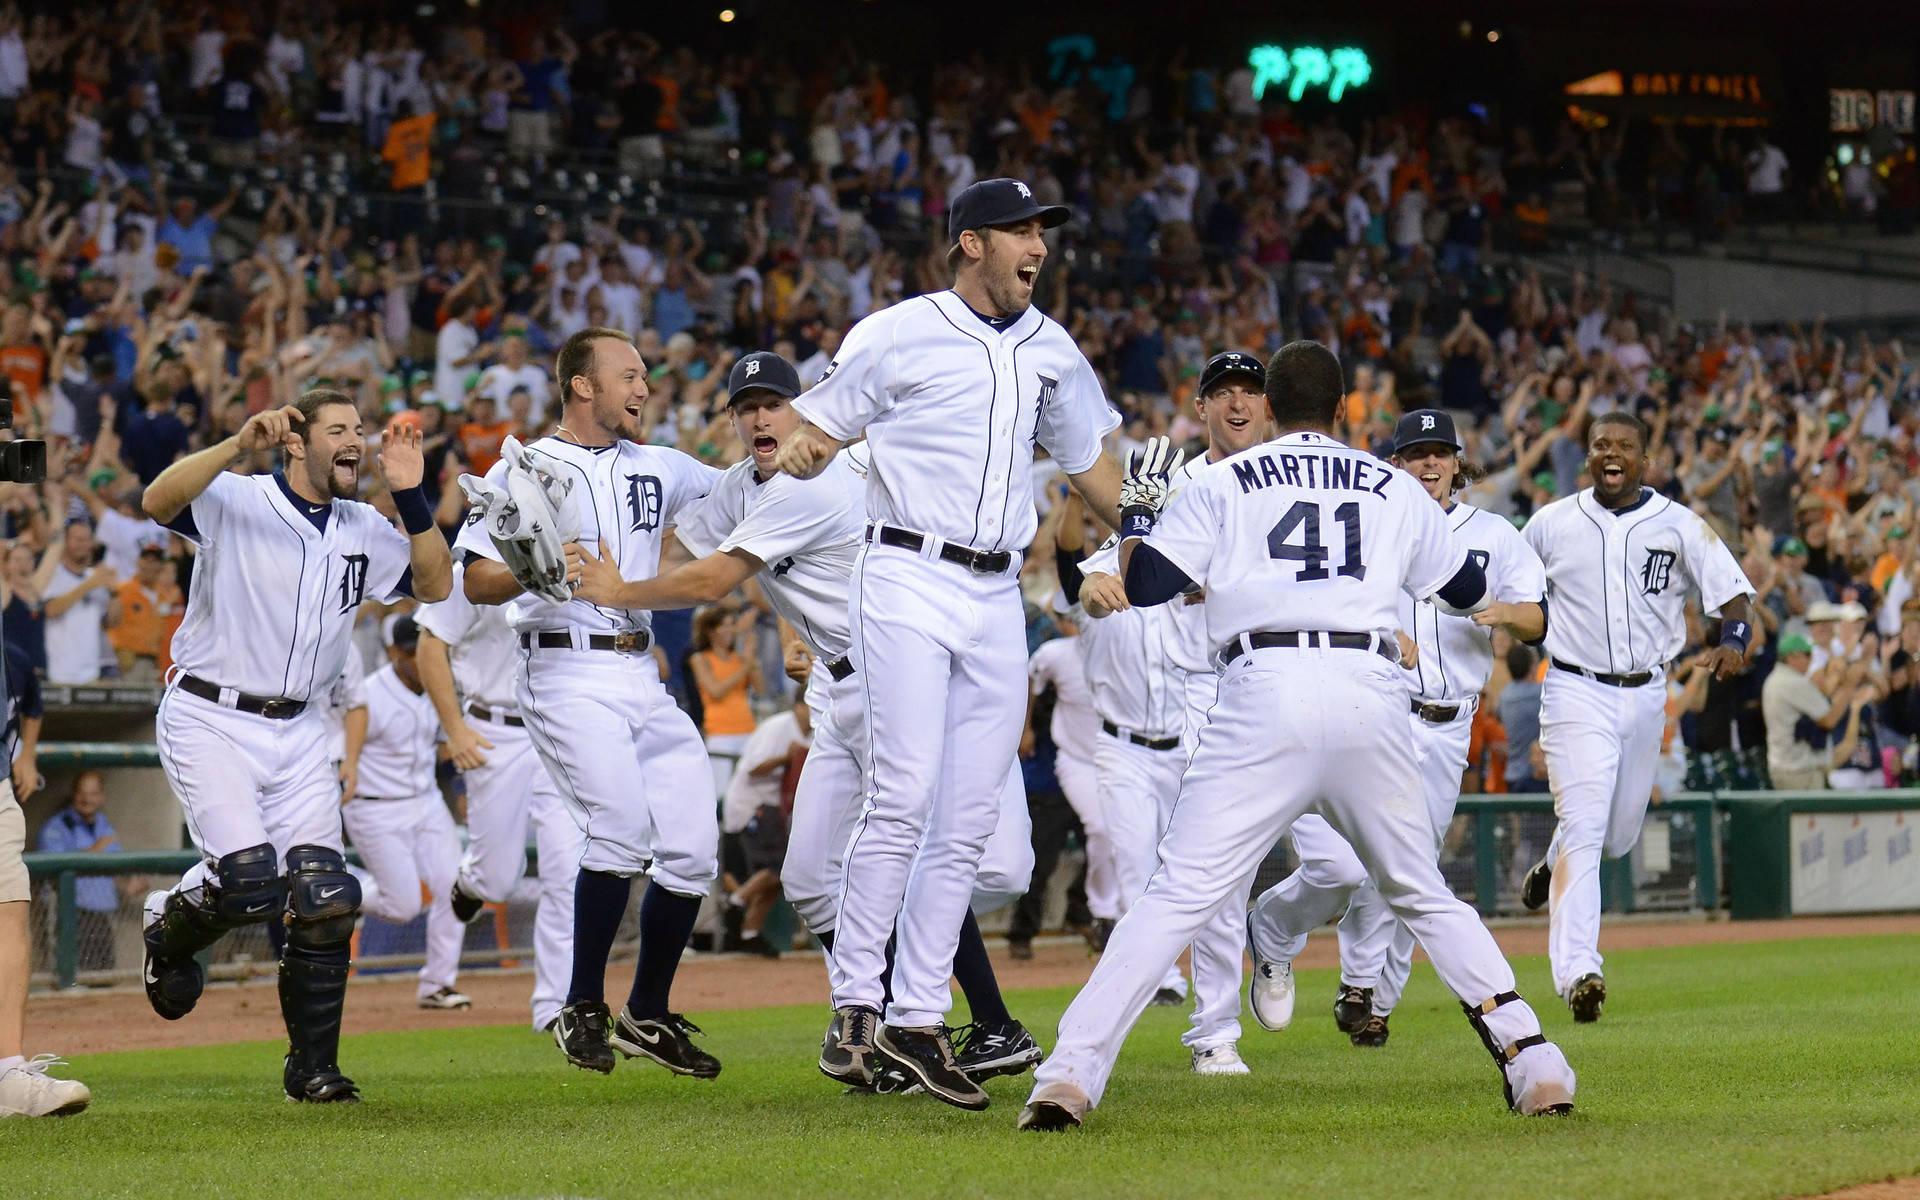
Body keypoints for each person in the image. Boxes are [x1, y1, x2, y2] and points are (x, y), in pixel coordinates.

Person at [1019, 340, 1576, 1132]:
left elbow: (1145, 586)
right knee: (1420, 889)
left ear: (1271, 411)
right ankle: (1534, 1059)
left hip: (1262, 689)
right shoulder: (1393, 484)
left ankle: (1069, 1073)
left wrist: (1141, 516)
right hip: (1369, 692)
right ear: (1345, 410)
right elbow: (1467, 589)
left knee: (1179, 894)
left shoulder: (1220, 479)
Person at [581, 350, 1045, 1089]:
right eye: (746, 406)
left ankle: (968, 1023)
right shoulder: (745, 485)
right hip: (842, 690)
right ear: (733, 420)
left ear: (806, 412)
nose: (762, 415)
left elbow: (710, 578)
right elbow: (689, 529)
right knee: (809, 876)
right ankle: (905, 1029)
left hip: (905, 685)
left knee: (960, 864)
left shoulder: (817, 483)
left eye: (776, 402)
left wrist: (617, 587)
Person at [775, 177, 1125, 1110]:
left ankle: (919, 1020)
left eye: (1043, 232)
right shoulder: (899, 329)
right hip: (904, 573)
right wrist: (806, 447)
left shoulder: (1052, 348)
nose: (1037, 246)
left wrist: (1162, 525)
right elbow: (816, 426)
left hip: (996, 589)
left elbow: (1097, 471)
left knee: (967, 816)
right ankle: (854, 1008)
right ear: (969, 243)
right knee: (903, 793)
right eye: (1019, 231)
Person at [137, 388, 452, 1105]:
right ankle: (168, 930)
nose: (355, 441)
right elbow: (156, 500)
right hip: (212, 715)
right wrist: (232, 445)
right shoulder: (237, 496)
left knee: (326, 896)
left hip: (302, 727)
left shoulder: (365, 526)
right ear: (295, 442)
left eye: (360, 430)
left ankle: (312, 1068)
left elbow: (434, 584)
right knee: (249, 881)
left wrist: (412, 496)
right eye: (338, 429)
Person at [459, 326, 723, 1080]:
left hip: (641, 671)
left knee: (693, 850)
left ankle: (647, 1010)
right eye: (630, 375)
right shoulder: (529, 467)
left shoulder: (663, 466)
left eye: (645, 375)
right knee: (619, 829)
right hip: (565, 669)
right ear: (583, 385)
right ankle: (579, 1004)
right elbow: (474, 582)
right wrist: (533, 570)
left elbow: (742, 490)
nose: (645, 387)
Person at [1244, 408, 1548, 1051]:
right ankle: (1345, 977)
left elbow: (1536, 618)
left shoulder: (1493, 533)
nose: (1429, 464)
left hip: (1448, 724)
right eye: (1416, 454)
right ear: (1395, 464)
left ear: (1458, 464)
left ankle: (1373, 999)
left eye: (1440, 453)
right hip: (1373, 714)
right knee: (1359, 864)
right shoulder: (1368, 527)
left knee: (1412, 870)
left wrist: (1498, 613)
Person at [1070, 348, 1276, 1074]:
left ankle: (1261, 958)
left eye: (1251, 390)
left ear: (1270, 405)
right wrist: (1097, 584)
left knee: (1256, 875)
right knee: (1196, 874)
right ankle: (1207, 1031)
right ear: (1202, 408)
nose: (1238, 402)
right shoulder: (1173, 482)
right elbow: (1100, 567)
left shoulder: (1287, 483)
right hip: (1198, 691)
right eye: (1224, 392)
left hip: (1264, 689)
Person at [1516, 411, 1755, 1022]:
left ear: (1645, 460)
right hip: (1574, 689)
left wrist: (1734, 640)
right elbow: (1508, 581)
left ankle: (1553, 859)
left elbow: (1732, 595)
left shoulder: (1679, 524)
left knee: (1616, 839)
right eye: (1601, 445)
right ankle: (1579, 973)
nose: (1612, 453)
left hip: (1647, 694)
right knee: (1589, 830)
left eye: (1624, 445)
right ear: (1587, 456)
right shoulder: (1551, 522)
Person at [418, 559, 583, 1034]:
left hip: (557, 726)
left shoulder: (572, 551)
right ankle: (472, 882)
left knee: (566, 871)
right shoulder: (473, 561)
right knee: (497, 881)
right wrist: (455, 730)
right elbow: (431, 645)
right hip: (493, 729)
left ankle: (554, 1006)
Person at [339, 615, 471, 1011]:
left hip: (427, 802)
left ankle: (438, 984)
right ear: (395, 652)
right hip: (376, 809)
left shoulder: (437, 686)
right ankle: (326, 882)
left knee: (455, 886)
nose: (419, 659)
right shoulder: (368, 696)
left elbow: (444, 746)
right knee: (403, 906)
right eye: (412, 652)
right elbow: (345, 757)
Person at [2, 615, 89, 1116]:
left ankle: (7, 1072)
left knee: (9, 903)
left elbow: (28, 699)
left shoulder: (13, 656)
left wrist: (25, 754)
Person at [1022, 606, 1113, 947]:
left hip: (1124, 757)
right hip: (1074, 760)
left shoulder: (1122, 647)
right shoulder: (1056, 653)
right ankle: (1101, 913)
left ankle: (1101, 913)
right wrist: (1025, 727)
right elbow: (1029, 676)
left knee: (1124, 838)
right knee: (1099, 829)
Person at [717, 694, 807, 956]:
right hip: (752, 805)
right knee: (777, 866)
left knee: (780, 878)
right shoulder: (779, 726)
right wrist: (784, 758)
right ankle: (735, 903)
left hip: (773, 810)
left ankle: (749, 932)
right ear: (799, 706)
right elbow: (753, 768)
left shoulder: (813, 733)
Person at [35, 769, 127, 972]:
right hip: (68, 912)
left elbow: (110, 869)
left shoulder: (104, 826)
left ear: (102, 797)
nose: (87, 799)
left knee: (103, 974)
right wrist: (96, 850)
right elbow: (52, 865)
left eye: (93, 794)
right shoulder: (58, 826)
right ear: (74, 794)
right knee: (69, 975)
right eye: (82, 793)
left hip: (101, 915)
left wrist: (127, 885)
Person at [1762, 632, 1872, 791]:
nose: (1811, 659)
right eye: (1807, 655)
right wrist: (1849, 685)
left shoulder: (1775, 679)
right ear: (1791, 657)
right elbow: (1829, 720)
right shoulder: (1792, 681)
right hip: (1799, 771)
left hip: (1787, 767)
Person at [688, 603, 762, 793]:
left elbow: (760, 689)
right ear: (711, 631)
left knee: (748, 790)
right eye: (724, 625)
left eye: (732, 624)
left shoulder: (740, 659)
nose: (730, 630)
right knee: (720, 791)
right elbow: (715, 691)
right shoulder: (700, 658)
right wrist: (745, 666)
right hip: (720, 731)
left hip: (747, 727)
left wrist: (750, 659)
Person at [38, 521, 118, 685]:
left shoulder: (95, 577)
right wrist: (87, 586)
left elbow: (112, 622)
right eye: (77, 539)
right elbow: (50, 610)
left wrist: (114, 593)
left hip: (92, 671)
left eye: (87, 539)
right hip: (59, 671)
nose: (83, 544)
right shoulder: (52, 573)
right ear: (66, 541)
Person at [107, 545, 180, 682]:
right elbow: (111, 622)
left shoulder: (163, 596)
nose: (150, 566)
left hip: (156, 662)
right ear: (139, 562)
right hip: (130, 661)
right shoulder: (123, 590)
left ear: (161, 566)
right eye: (146, 560)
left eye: (155, 561)